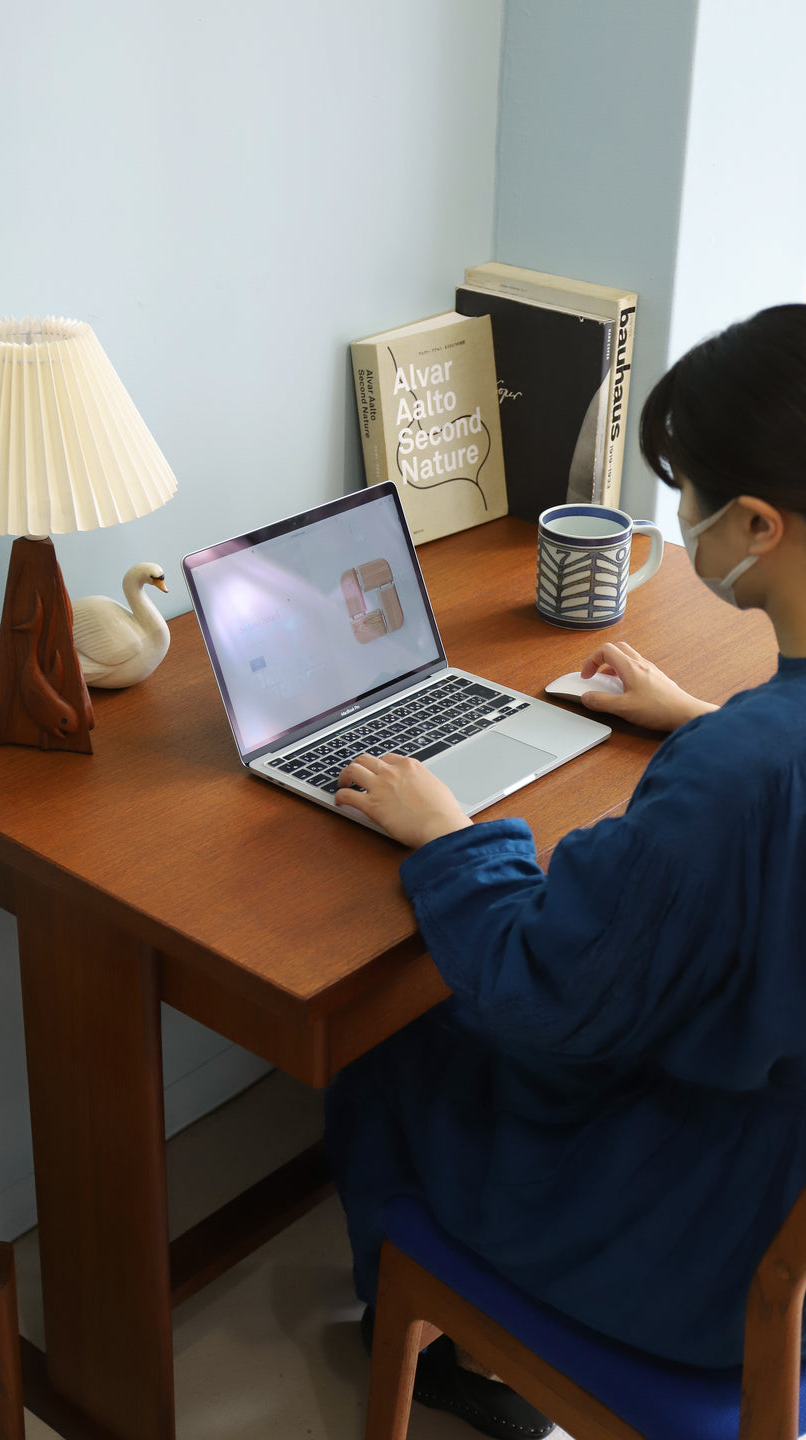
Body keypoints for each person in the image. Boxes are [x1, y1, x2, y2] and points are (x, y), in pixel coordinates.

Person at [324, 304, 806, 1440]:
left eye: (685, 494)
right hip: (778, 1186)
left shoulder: (741, 775)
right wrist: (697, 719)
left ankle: (438, 1339)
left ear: (757, 524)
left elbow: (543, 988)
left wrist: (449, 833)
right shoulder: (747, 753)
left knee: (397, 1037)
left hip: (696, 1258)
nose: (679, 522)